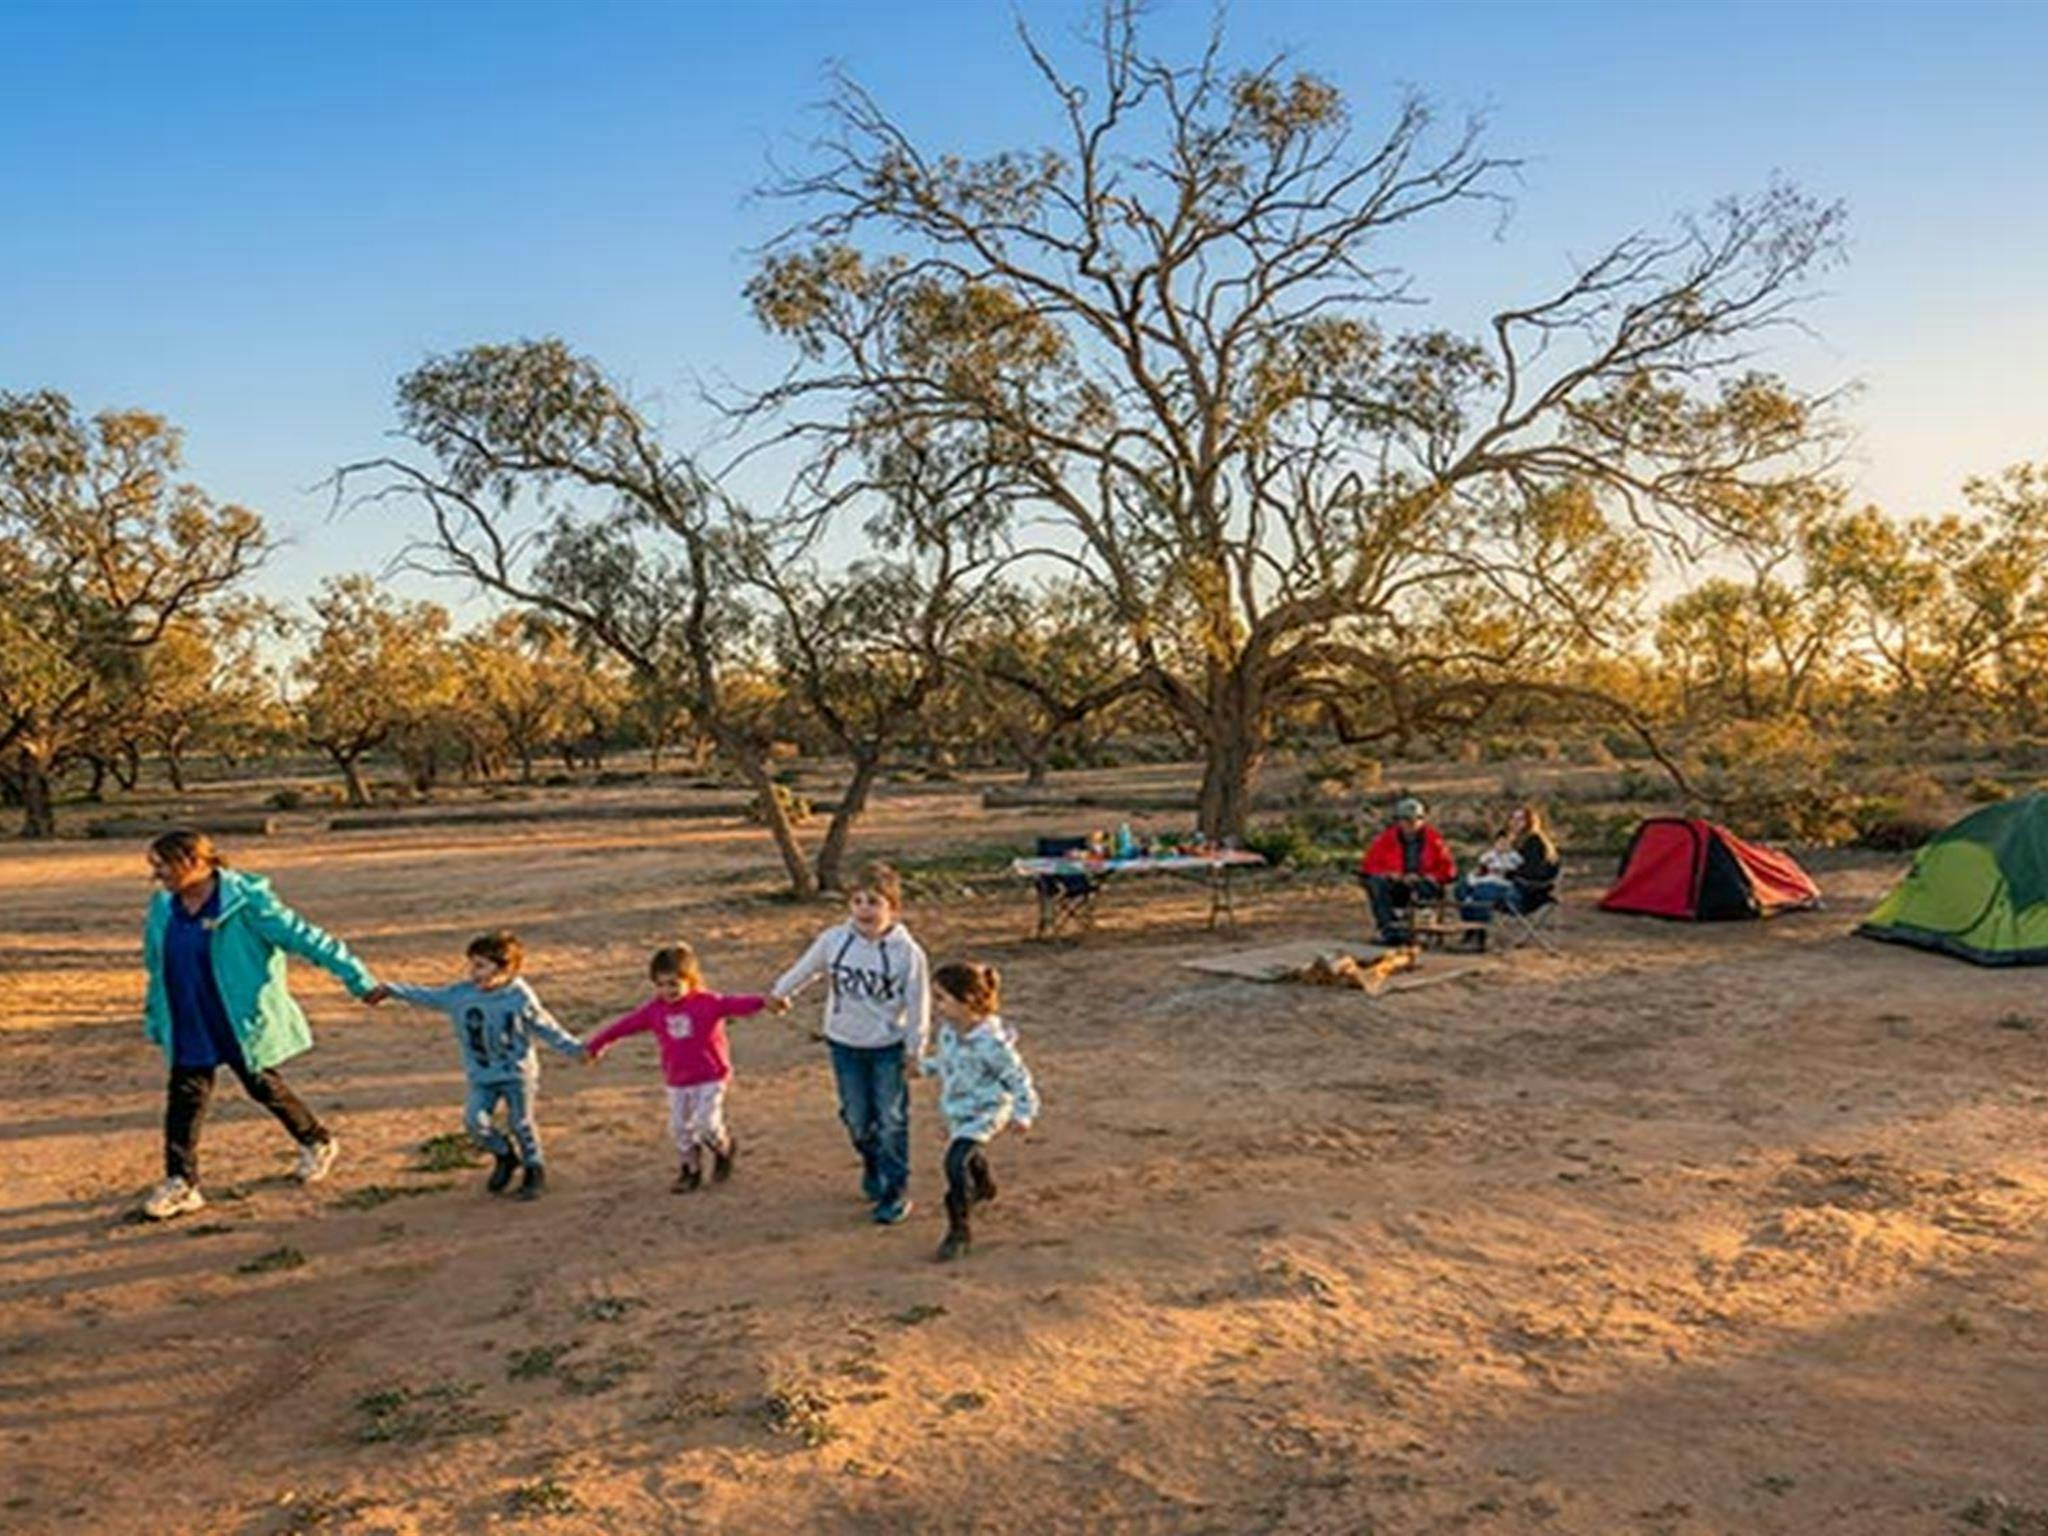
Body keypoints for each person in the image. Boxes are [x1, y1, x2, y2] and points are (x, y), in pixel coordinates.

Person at [138, 829, 379, 1221]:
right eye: (155, 866)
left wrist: (358, 979)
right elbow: (155, 963)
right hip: (189, 1018)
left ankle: (316, 1140)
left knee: (262, 1084)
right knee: (184, 1099)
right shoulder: (164, 905)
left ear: (195, 861)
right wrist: (155, 1013)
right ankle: (182, 1182)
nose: (157, 874)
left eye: (164, 865)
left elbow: (307, 939)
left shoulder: (247, 903)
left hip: (237, 1018)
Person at [770, 860, 931, 1226]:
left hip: (888, 1047)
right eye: (857, 901)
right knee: (856, 1118)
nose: (864, 910)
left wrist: (914, 1050)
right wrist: (781, 993)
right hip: (844, 1043)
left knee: (890, 1119)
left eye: (874, 902)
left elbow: (919, 1003)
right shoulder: (834, 940)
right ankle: (872, 1162)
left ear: (893, 907)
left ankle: (895, 1189)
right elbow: (806, 968)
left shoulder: (908, 954)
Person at [367, 930, 585, 1200]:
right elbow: (428, 996)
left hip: (517, 1074)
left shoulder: (519, 997)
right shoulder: (461, 995)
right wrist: (391, 990)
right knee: (474, 1121)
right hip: (481, 1075)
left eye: (481, 966)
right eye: (472, 964)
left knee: (521, 1123)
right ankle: (505, 1155)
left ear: (506, 969)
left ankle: (534, 1168)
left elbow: (546, 1026)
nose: (473, 972)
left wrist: (576, 1049)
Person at [584, 943, 791, 1192]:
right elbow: (623, 1026)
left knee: (707, 1124)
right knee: (679, 1128)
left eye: (673, 983)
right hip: (678, 1079)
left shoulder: (707, 1002)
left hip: (711, 1076)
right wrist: (597, 1045)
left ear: (690, 980)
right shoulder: (654, 1010)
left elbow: (736, 1004)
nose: (667, 990)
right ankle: (690, 1169)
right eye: (660, 985)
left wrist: (765, 1002)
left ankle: (724, 1148)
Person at [919, 961, 1038, 1262]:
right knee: (968, 1153)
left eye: (942, 998)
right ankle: (984, 1185)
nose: (936, 1006)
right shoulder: (948, 1032)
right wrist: (922, 1068)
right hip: (957, 1107)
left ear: (968, 1000)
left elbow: (1018, 1078)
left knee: (955, 1162)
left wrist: (1023, 1113)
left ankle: (959, 1230)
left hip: (987, 1110)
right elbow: (948, 1063)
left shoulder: (993, 1045)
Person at [1358, 796, 1457, 944]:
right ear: (1399, 821)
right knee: (1376, 884)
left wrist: (1427, 877)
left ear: (1422, 820)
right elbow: (1369, 866)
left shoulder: (1434, 840)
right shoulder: (1386, 839)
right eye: (1406, 820)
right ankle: (1389, 930)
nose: (1411, 824)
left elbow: (1449, 870)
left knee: (1425, 887)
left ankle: (1419, 930)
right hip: (1397, 886)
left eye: (1416, 819)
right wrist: (1391, 875)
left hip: (1423, 885)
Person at [1456, 803, 1561, 925]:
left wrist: (1506, 873)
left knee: (1482, 891)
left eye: (1520, 819)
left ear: (1530, 822)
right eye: (1513, 818)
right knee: (1461, 888)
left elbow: (1533, 873)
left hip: (1526, 894)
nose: (1515, 822)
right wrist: (1484, 871)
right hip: (1504, 884)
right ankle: (1470, 929)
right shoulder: (1508, 839)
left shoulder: (1534, 842)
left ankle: (1478, 932)